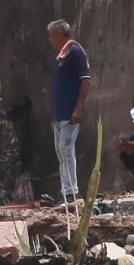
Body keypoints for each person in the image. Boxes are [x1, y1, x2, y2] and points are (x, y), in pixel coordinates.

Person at [47, 19, 92, 205]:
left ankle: (72, 192)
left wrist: (79, 107)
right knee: (60, 151)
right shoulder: (61, 57)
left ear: (59, 34)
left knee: (66, 150)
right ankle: (66, 192)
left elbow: (86, 81)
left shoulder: (74, 51)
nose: (50, 39)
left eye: (51, 35)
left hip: (70, 113)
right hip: (59, 114)